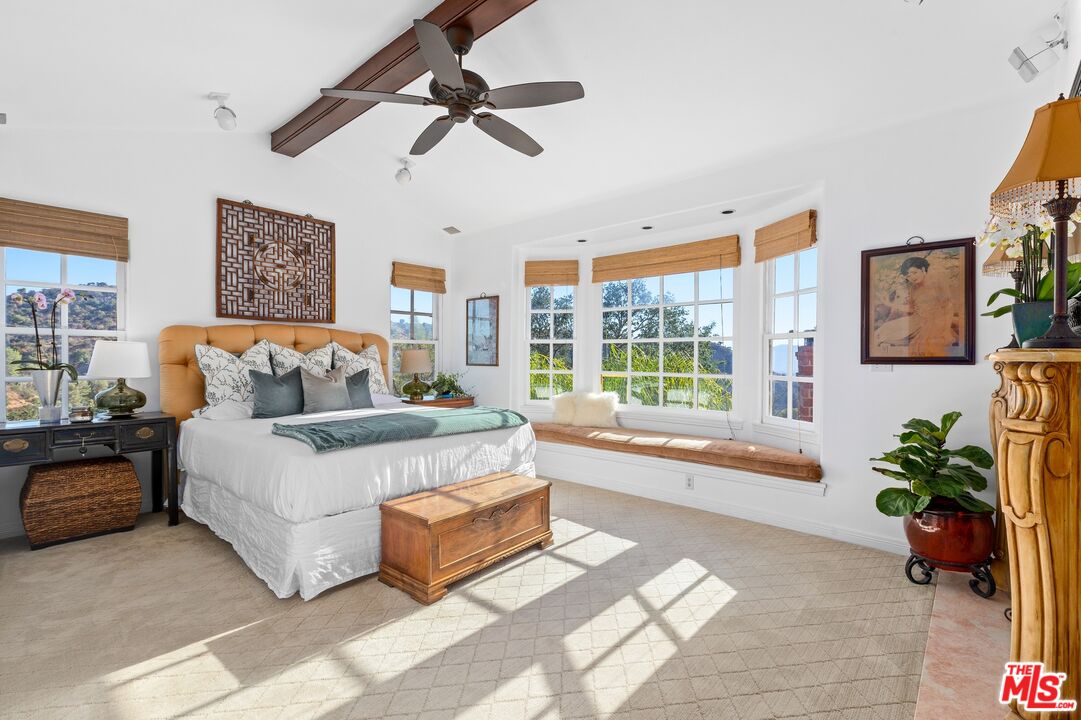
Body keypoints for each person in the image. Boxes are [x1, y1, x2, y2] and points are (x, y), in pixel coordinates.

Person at [873, 254, 959, 356]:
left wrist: (946, 329)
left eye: (914, 272)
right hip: (916, 320)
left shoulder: (938, 283)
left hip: (935, 321)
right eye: (908, 276)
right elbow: (911, 309)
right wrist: (889, 304)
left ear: (922, 269)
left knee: (923, 346)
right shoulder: (913, 289)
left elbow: (948, 307)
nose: (912, 277)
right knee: (882, 332)